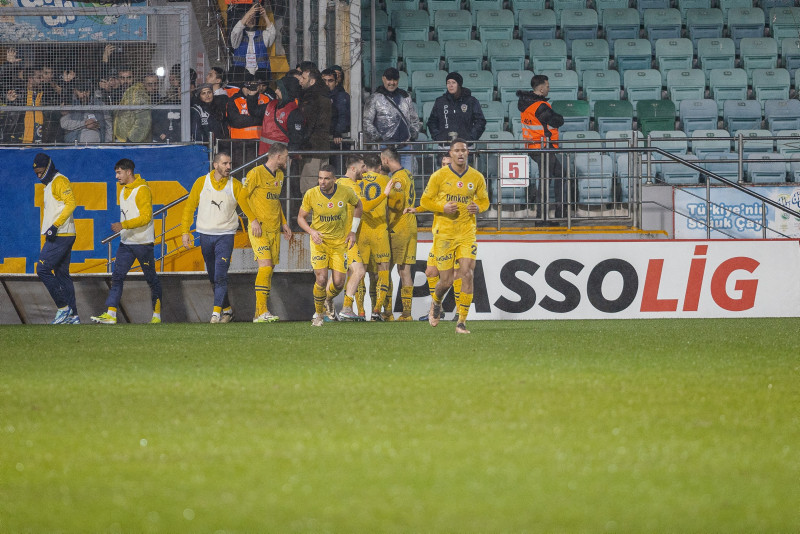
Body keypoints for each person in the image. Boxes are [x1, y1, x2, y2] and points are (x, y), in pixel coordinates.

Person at [419, 138, 489, 334]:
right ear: (450, 154)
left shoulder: (476, 177)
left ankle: (462, 321)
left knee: (467, 273)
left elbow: (485, 200)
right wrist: (442, 207)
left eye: (464, 150)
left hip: (467, 232)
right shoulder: (439, 176)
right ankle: (437, 301)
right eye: (456, 150)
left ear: (468, 153)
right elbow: (425, 200)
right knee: (446, 281)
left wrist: (478, 207)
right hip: (445, 234)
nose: (460, 153)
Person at [181, 151, 257, 323]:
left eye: (229, 163)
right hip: (205, 235)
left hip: (226, 235)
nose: (228, 167)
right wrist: (185, 231)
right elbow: (189, 208)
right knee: (213, 275)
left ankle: (216, 313)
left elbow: (246, 205)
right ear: (215, 165)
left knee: (221, 274)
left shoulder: (235, 185)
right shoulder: (201, 183)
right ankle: (228, 310)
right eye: (224, 163)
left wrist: (254, 221)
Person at [90, 159, 163, 325]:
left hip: (143, 243)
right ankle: (111, 314)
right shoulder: (123, 191)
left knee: (151, 279)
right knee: (117, 277)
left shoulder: (142, 190)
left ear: (129, 172)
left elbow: (146, 217)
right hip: (126, 243)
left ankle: (157, 316)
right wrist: (124, 228)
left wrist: (124, 225)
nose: (116, 176)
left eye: (119, 172)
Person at [296, 164, 362, 327]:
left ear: (334, 179)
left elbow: (359, 206)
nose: (322, 182)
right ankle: (318, 315)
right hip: (320, 242)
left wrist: (353, 231)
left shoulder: (345, 192)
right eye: (320, 178)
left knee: (339, 282)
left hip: (339, 243)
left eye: (326, 178)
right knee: (321, 278)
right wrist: (312, 232)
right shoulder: (311, 194)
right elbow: (300, 218)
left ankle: (327, 299)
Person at [242, 142, 293, 322]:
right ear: (278, 156)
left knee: (269, 269)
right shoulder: (255, 173)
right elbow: (242, 197)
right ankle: (263, 311)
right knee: (265, 267)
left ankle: (259, 314)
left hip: (274, 228)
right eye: (286, 156)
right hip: (259, 228)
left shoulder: (279, 175)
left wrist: (284, 223)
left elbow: (275, 201)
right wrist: (253, 220)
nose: (287, 160)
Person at [335, 155, 388, 322]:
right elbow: (366, 206)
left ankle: (338, 309)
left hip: (342, 235)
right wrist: (384, 195)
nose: (364, 170)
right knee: (358, 272)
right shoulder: (351, 187)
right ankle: (342, 309)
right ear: (353, 168)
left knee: (339, 276)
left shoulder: (337, 184)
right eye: (362, 167)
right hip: (346, 237)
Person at [33, 153, 79, 324]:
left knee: (42, 269)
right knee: (62, 275)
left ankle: (63, 307)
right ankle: (73, 316)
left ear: (49, 166)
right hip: (63, 233)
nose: (39, 176)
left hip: (60, 234)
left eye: (41, 172)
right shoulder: (51, 183)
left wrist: (55, 226)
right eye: (36, 173)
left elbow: (71, 203)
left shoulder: (59, 181)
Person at [517, 74, 566, 218]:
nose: (549, 89)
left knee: (559, 175)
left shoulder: (526, 104)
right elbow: (557, 121)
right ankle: (541, 216)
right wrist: (560, 116)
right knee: (545, 181)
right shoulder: (539, 106)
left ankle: (559, 212)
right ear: (541, 88)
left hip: (534, 147)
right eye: (548, 86)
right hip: (543, 147)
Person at [380, 146, 418, 321]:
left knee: (386, 270)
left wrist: (383, 199)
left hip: (398, 227)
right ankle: (407, 313)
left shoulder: (396, 180)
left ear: (386, 160)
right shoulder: (408, 174)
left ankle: (388, 313)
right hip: (411, 226)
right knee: (405, 271)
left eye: (382, 160)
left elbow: (396, 205)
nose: (382, 164)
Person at [362, 67, 421, 173]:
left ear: (398, 80)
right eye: (389, 79)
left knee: (406, 179)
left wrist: (412, 135)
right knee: (387, 182)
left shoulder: (405, 96)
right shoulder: (375, 98)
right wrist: (379, 140)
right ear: (383, 79)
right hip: (385, 149)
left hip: (405, 147)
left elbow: (414, 119)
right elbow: (367, 122)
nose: (392, 83)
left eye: (395, 80)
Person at [297, 66, 332, 196]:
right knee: (323, 188)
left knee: (308, 188)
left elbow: (309, 124)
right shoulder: (325, 97)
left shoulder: (311, 99)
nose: (300, 81)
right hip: (323, 148)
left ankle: (309, 216)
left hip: (312, 150)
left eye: (304, 78)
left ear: (312, 81)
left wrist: (301, 145)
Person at [427, 72, 486, 144]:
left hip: (465, 146)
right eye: (448, 83)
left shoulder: (471, 101)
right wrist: (438, 137)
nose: (450, 85)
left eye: (453, 82)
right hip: (445, 145)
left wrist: (471, 137)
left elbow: (480, 121)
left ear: (459, 84)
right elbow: (432, 122)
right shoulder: (440, 101)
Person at [229, 2, 276, 85]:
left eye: (253, 17)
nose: (251, 19)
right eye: (249, 17)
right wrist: (248, 14)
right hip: (241, 76)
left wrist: (265, 16)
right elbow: (236, 31)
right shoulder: (239, 36)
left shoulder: (262, 34)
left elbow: (272, 33)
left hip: (260, 76)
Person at [257, 75, 303, 154]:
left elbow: (295, 139)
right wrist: (252, 96)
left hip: (281, 158)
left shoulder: (294, 112)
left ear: (287, 91)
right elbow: (255, 111)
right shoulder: (272, 104)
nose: (276, 91)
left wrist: (289, 158)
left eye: (279, 89)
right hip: (265, 154)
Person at [60, 78, 107, 144]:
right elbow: (64, 123)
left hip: (94, 145)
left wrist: (108, 144)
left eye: (87, 91)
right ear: (75, 91)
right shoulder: (70, 104)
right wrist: (84, 124)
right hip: (73, 143)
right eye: (81, 92)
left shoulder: (99, 104)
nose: (84, 94)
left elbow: (108, 126)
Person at [114, 68, 152, 143]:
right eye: (122, 78)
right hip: (121, 138)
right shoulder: (120, 94)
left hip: (131, 141)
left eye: (129, 78)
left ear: (133, 78)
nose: (125, 81)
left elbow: (143, 120)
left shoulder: (137, 93)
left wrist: (132, 140)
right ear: (118, 79)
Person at [322, 67, 350, 146]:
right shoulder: (318, 96)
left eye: (330, 81)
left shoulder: (341, 96)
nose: (327, 84)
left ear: (336, 82)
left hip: (337, 140)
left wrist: (338, 132)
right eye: (324, 81)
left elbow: (343, 115)